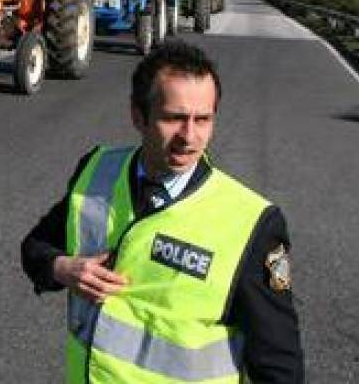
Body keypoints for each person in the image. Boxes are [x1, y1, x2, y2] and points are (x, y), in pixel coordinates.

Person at [21, 41, 304, 383]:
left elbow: (279, 364)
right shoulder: (97, 171)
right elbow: (36, 246)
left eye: (203, 119)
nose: (189, 137)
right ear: (138, 116)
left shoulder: (253, 224)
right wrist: (61, 267)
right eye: (174, 118)